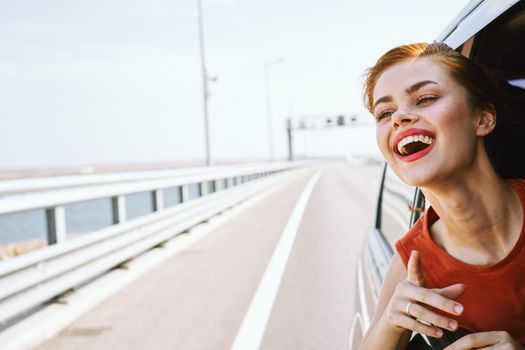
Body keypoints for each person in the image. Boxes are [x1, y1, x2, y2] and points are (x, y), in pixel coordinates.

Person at [358, 42, 525, 349]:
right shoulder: (412, 263)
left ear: (483, 119)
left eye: (425, 98)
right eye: (385, 113)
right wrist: (390, 323)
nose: (399, 118)